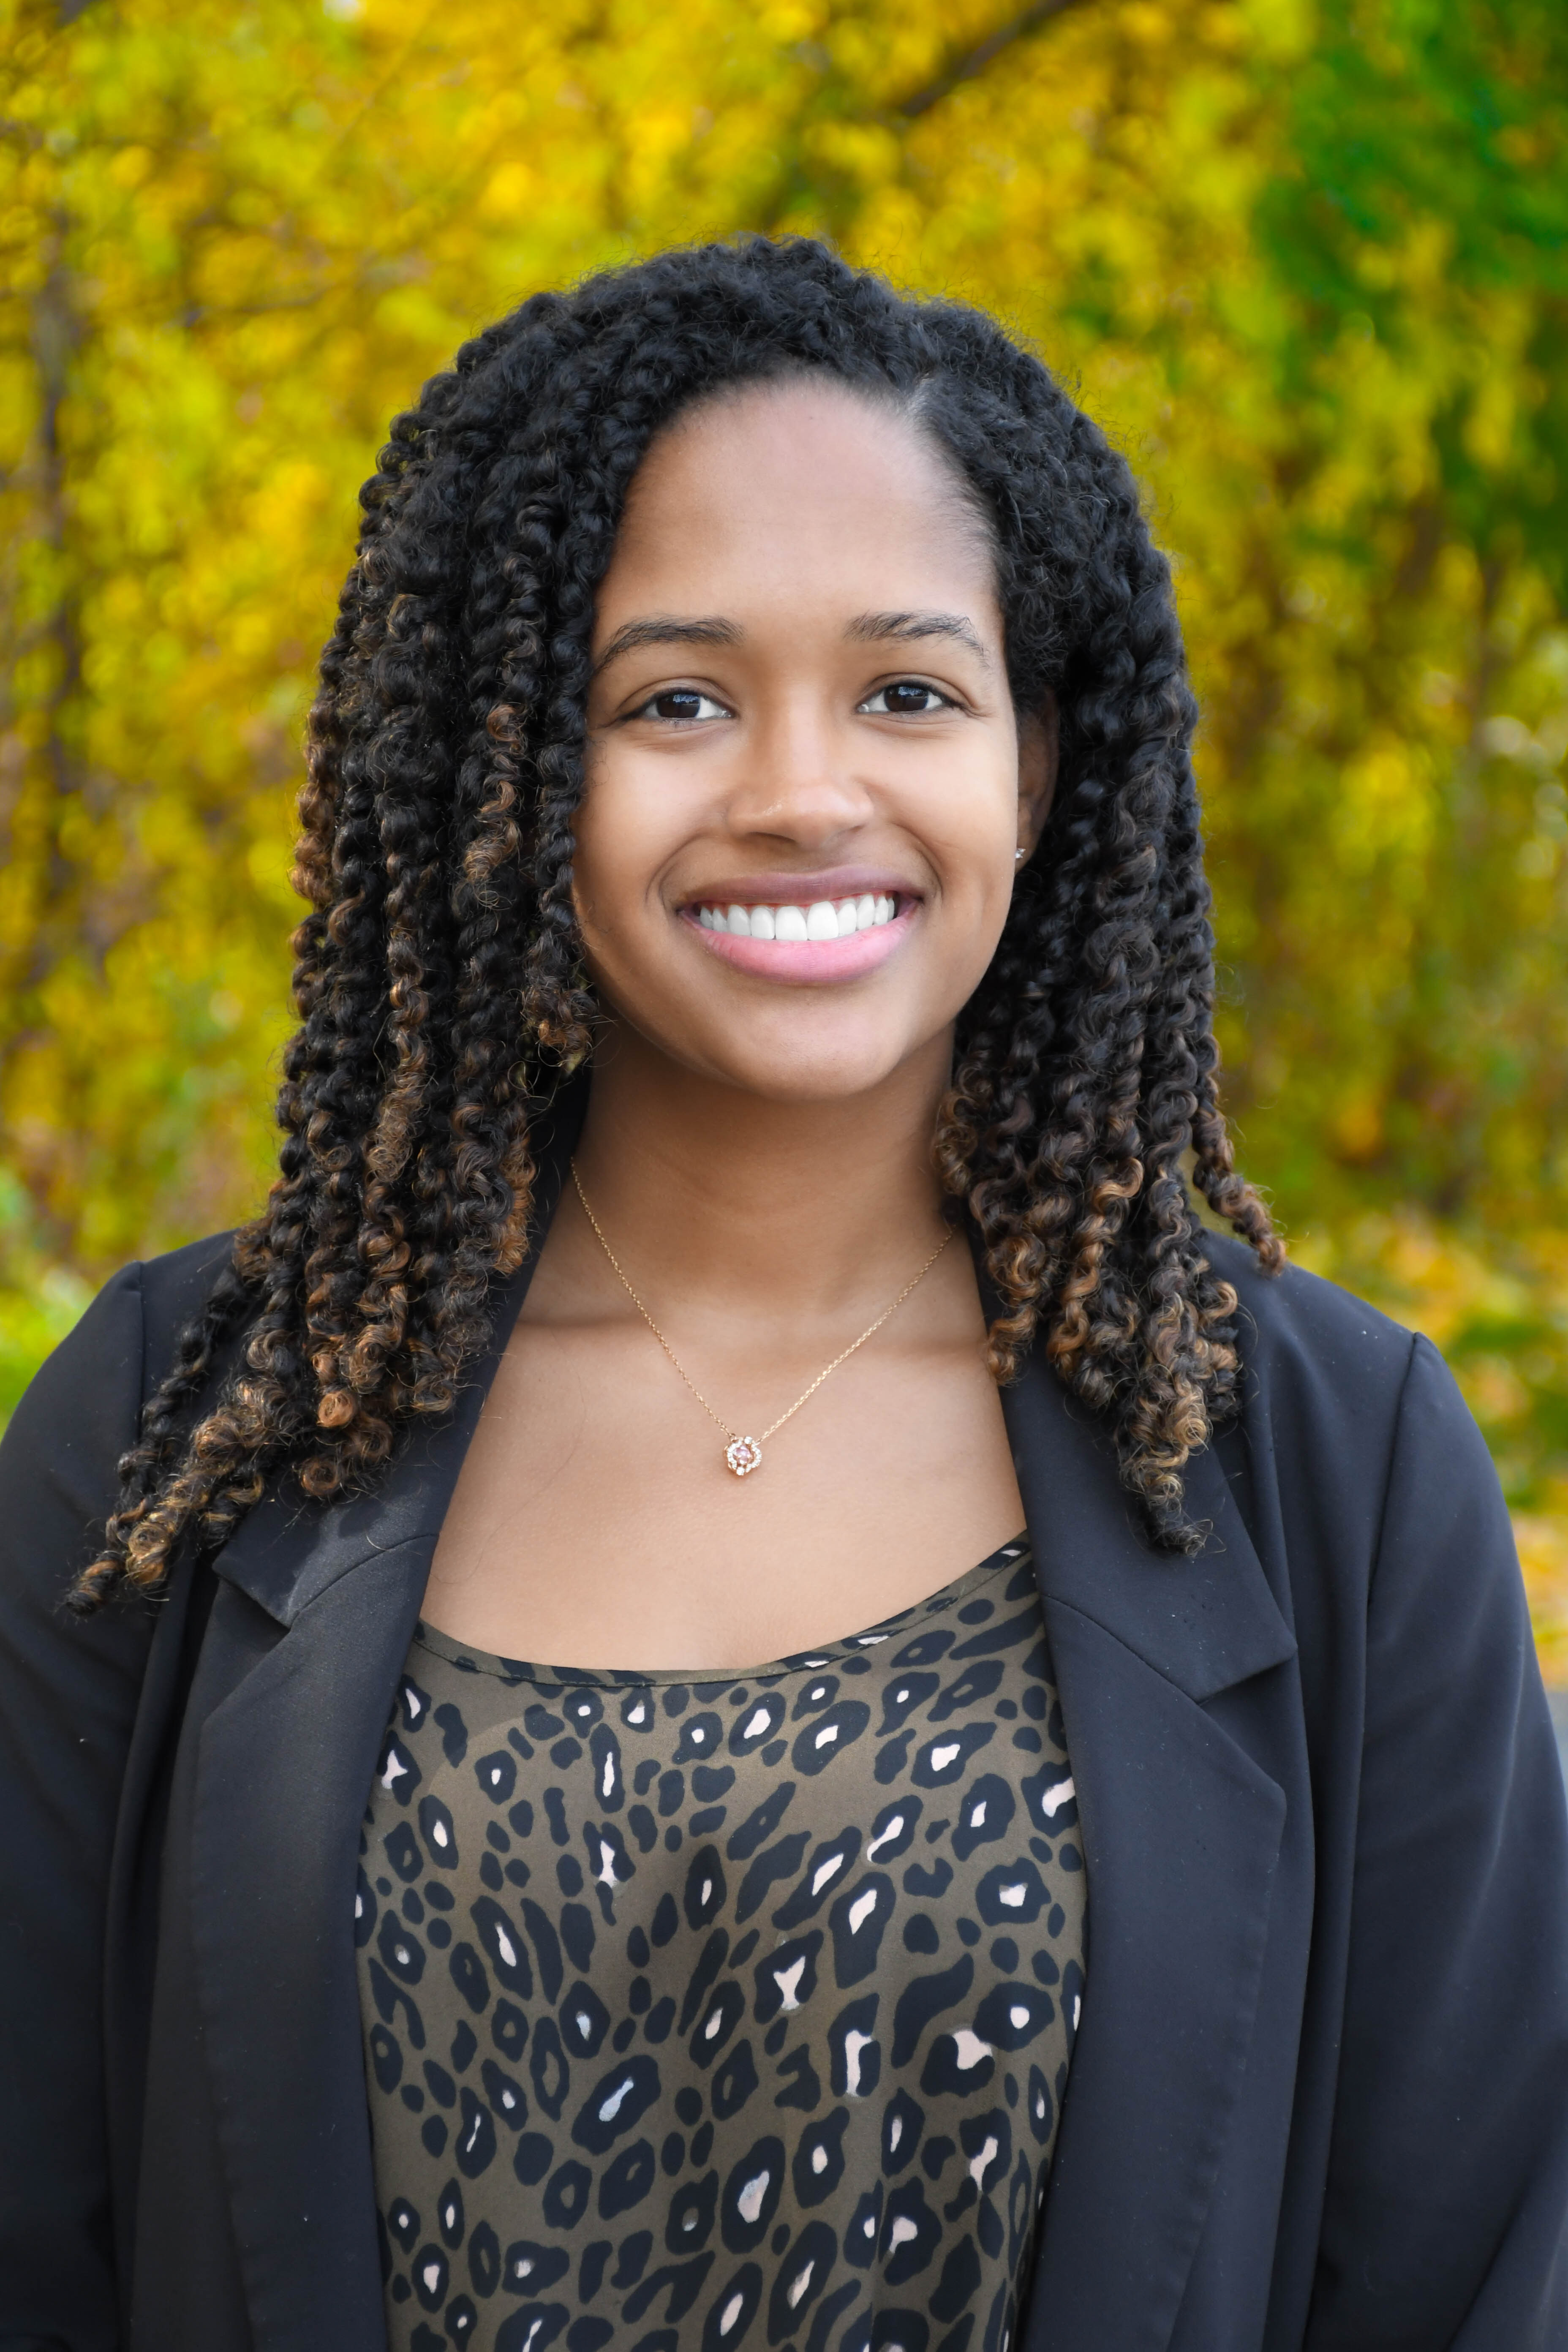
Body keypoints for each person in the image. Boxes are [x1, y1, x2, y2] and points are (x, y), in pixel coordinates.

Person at [1, 236, 1564, 2352]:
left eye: (909, 692)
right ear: (507, 768)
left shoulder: (1328, 1462)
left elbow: (1475, 2274)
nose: (802, 794)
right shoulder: (177, 1428)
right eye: (675, 701)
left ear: (1034, 763)